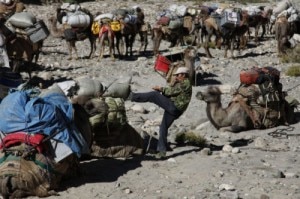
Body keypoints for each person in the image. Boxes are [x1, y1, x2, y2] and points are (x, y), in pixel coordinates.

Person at [129, 67, 192, 159]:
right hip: (175, 109)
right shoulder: (181, 84)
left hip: (174, 107)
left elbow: (170, 92)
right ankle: (162, 151)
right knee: (163, 127)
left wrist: (160, 88)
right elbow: (170, 93)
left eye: (178, 75)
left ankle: (132, 96)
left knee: (153, 95)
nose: (176, 77)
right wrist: (172, 84)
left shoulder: (186, 83)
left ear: (183, 75)